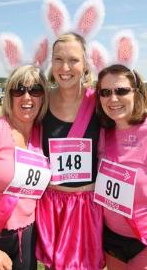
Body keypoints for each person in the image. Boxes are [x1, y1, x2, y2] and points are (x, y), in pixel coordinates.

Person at [35, 32, 105, 270]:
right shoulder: (40, 102)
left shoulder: (100, 101)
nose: (65, 67)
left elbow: (131, 119)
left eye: (73, 60)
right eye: (58, 59)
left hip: (88, 207)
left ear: (85, 64)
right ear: (51, 63)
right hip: (51, 207)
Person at [0, 64, 49, 270]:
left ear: (43, 97)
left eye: (35, 90)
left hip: (27, 238)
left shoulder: (42, 135)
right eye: (19, 89)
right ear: (9, 95)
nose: (27, 97)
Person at [95, 64, 147, 270]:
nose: (113, 98)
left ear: (136, 93)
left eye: (121, 90)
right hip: (111, 238)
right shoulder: (101, 133)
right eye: (105, 92)